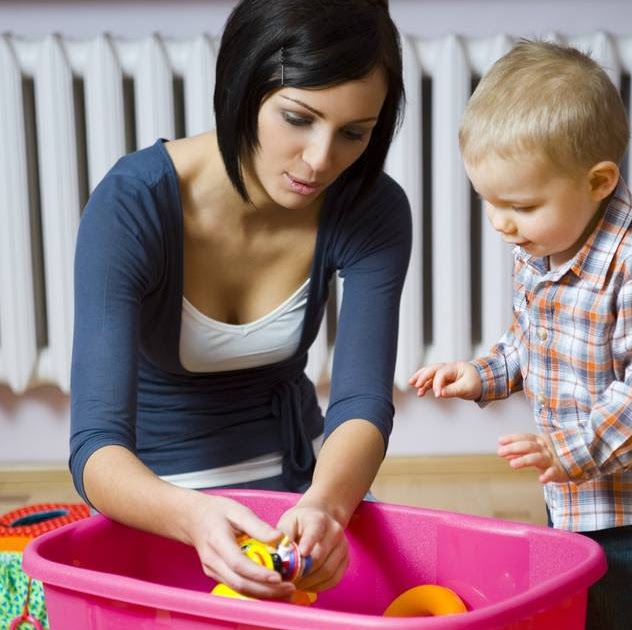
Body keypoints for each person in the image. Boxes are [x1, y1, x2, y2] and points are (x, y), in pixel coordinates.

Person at [69, 0, 410, 600]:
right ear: (241, 86)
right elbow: (96, 448)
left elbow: (360, 401)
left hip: (298, 489)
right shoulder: (132, 205)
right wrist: (194, 519)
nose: (321, 160)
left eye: (354, 133)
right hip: (161, 504)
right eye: (298, 118)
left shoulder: (371, 207)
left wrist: (327, 507)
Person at [409, 40, 632, 629]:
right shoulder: (540, 249)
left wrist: (568, 447)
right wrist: (483, 374)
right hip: (578, 494)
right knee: (593, 610)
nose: (502, 223)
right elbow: (532, 341)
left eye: (521, 205)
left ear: (599, 180)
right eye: (489, 202)